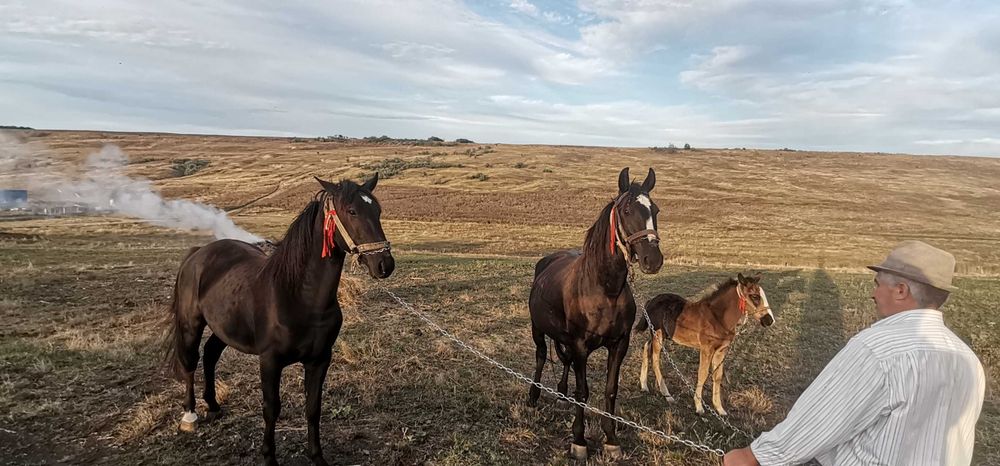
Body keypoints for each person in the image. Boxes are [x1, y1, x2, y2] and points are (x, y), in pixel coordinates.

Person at [724, 240, 986, 465]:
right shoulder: (968, 360)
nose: (873, 294)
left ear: (900, 290)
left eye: (877, 284)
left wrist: (753, 456)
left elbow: (820, 419)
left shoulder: (877, 349)